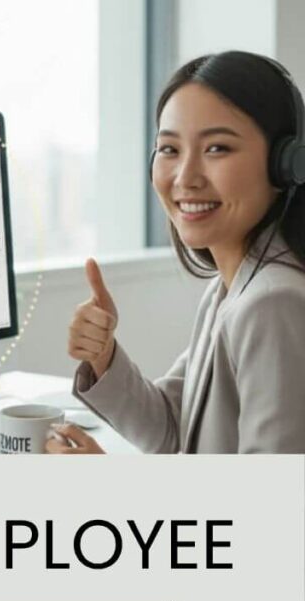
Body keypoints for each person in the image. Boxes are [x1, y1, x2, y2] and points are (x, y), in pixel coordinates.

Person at [50, 51, 305, 454]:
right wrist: (104, 356)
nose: (186, 178)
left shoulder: (272, 303)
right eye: (169, 149)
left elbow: (269, 508)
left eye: (217, 148)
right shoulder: (231, 287)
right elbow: (173, 430)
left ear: (286, 165)